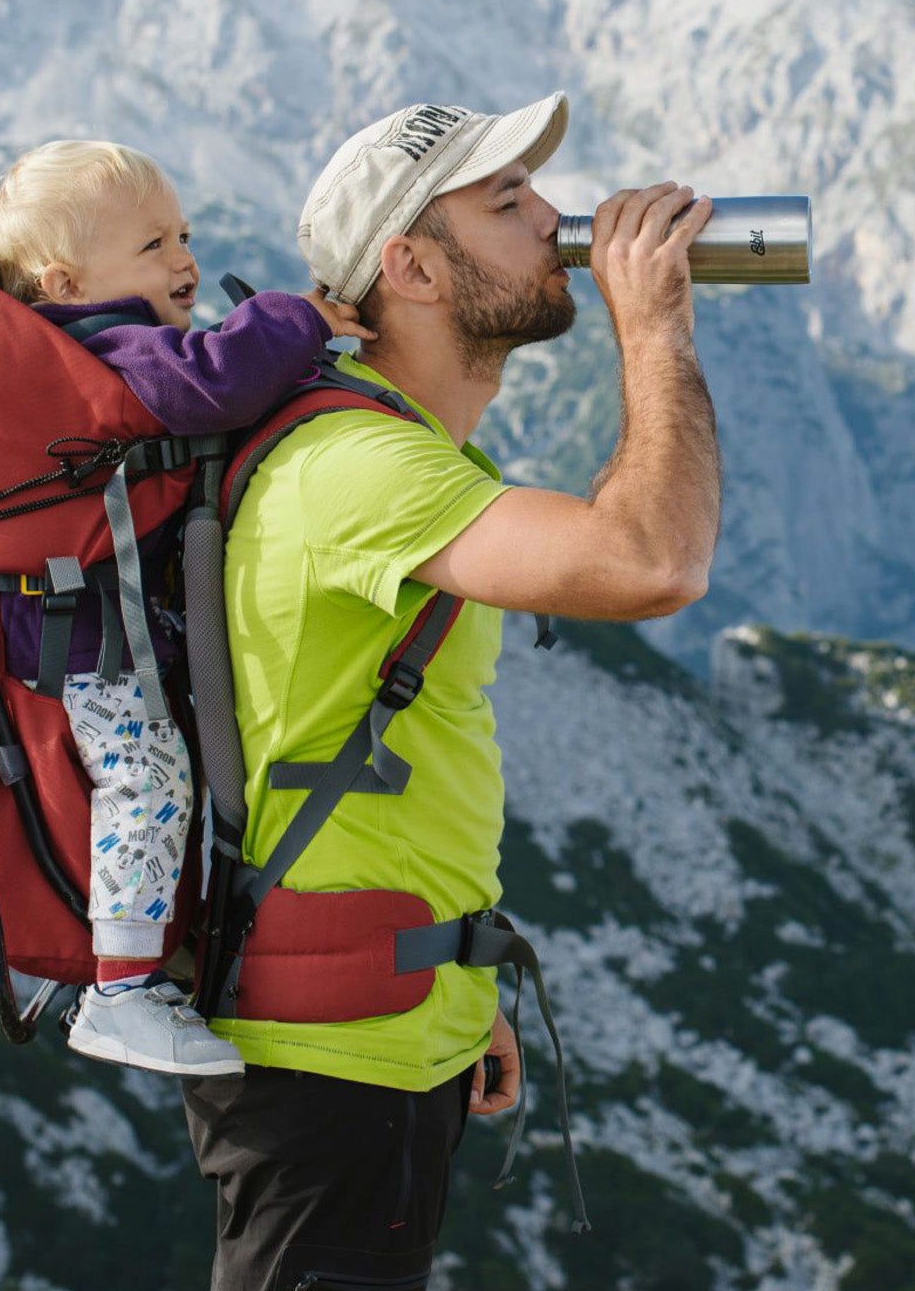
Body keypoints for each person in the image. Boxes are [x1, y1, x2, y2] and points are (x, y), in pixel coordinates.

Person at [181, 92, 722, 1290]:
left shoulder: (402, 453)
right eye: (506, 200)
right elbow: (653, 560)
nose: (554, 218)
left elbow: (372, 738)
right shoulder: (355, 467)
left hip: (378, 1021)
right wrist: (655, 327)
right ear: (411, 267)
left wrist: (452, 977)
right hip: (324, 1064)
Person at [0, 139, 371, 1076]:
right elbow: (208, 383)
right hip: (93, 641)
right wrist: (298, 320)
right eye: (154, 245)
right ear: (67, 281)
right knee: (148, 779)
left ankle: (149, 959)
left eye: (182, 234)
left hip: (91, 627)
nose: (185, 259)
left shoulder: (81, 347)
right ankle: (120, 992)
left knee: (164, 778)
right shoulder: (105, 341)